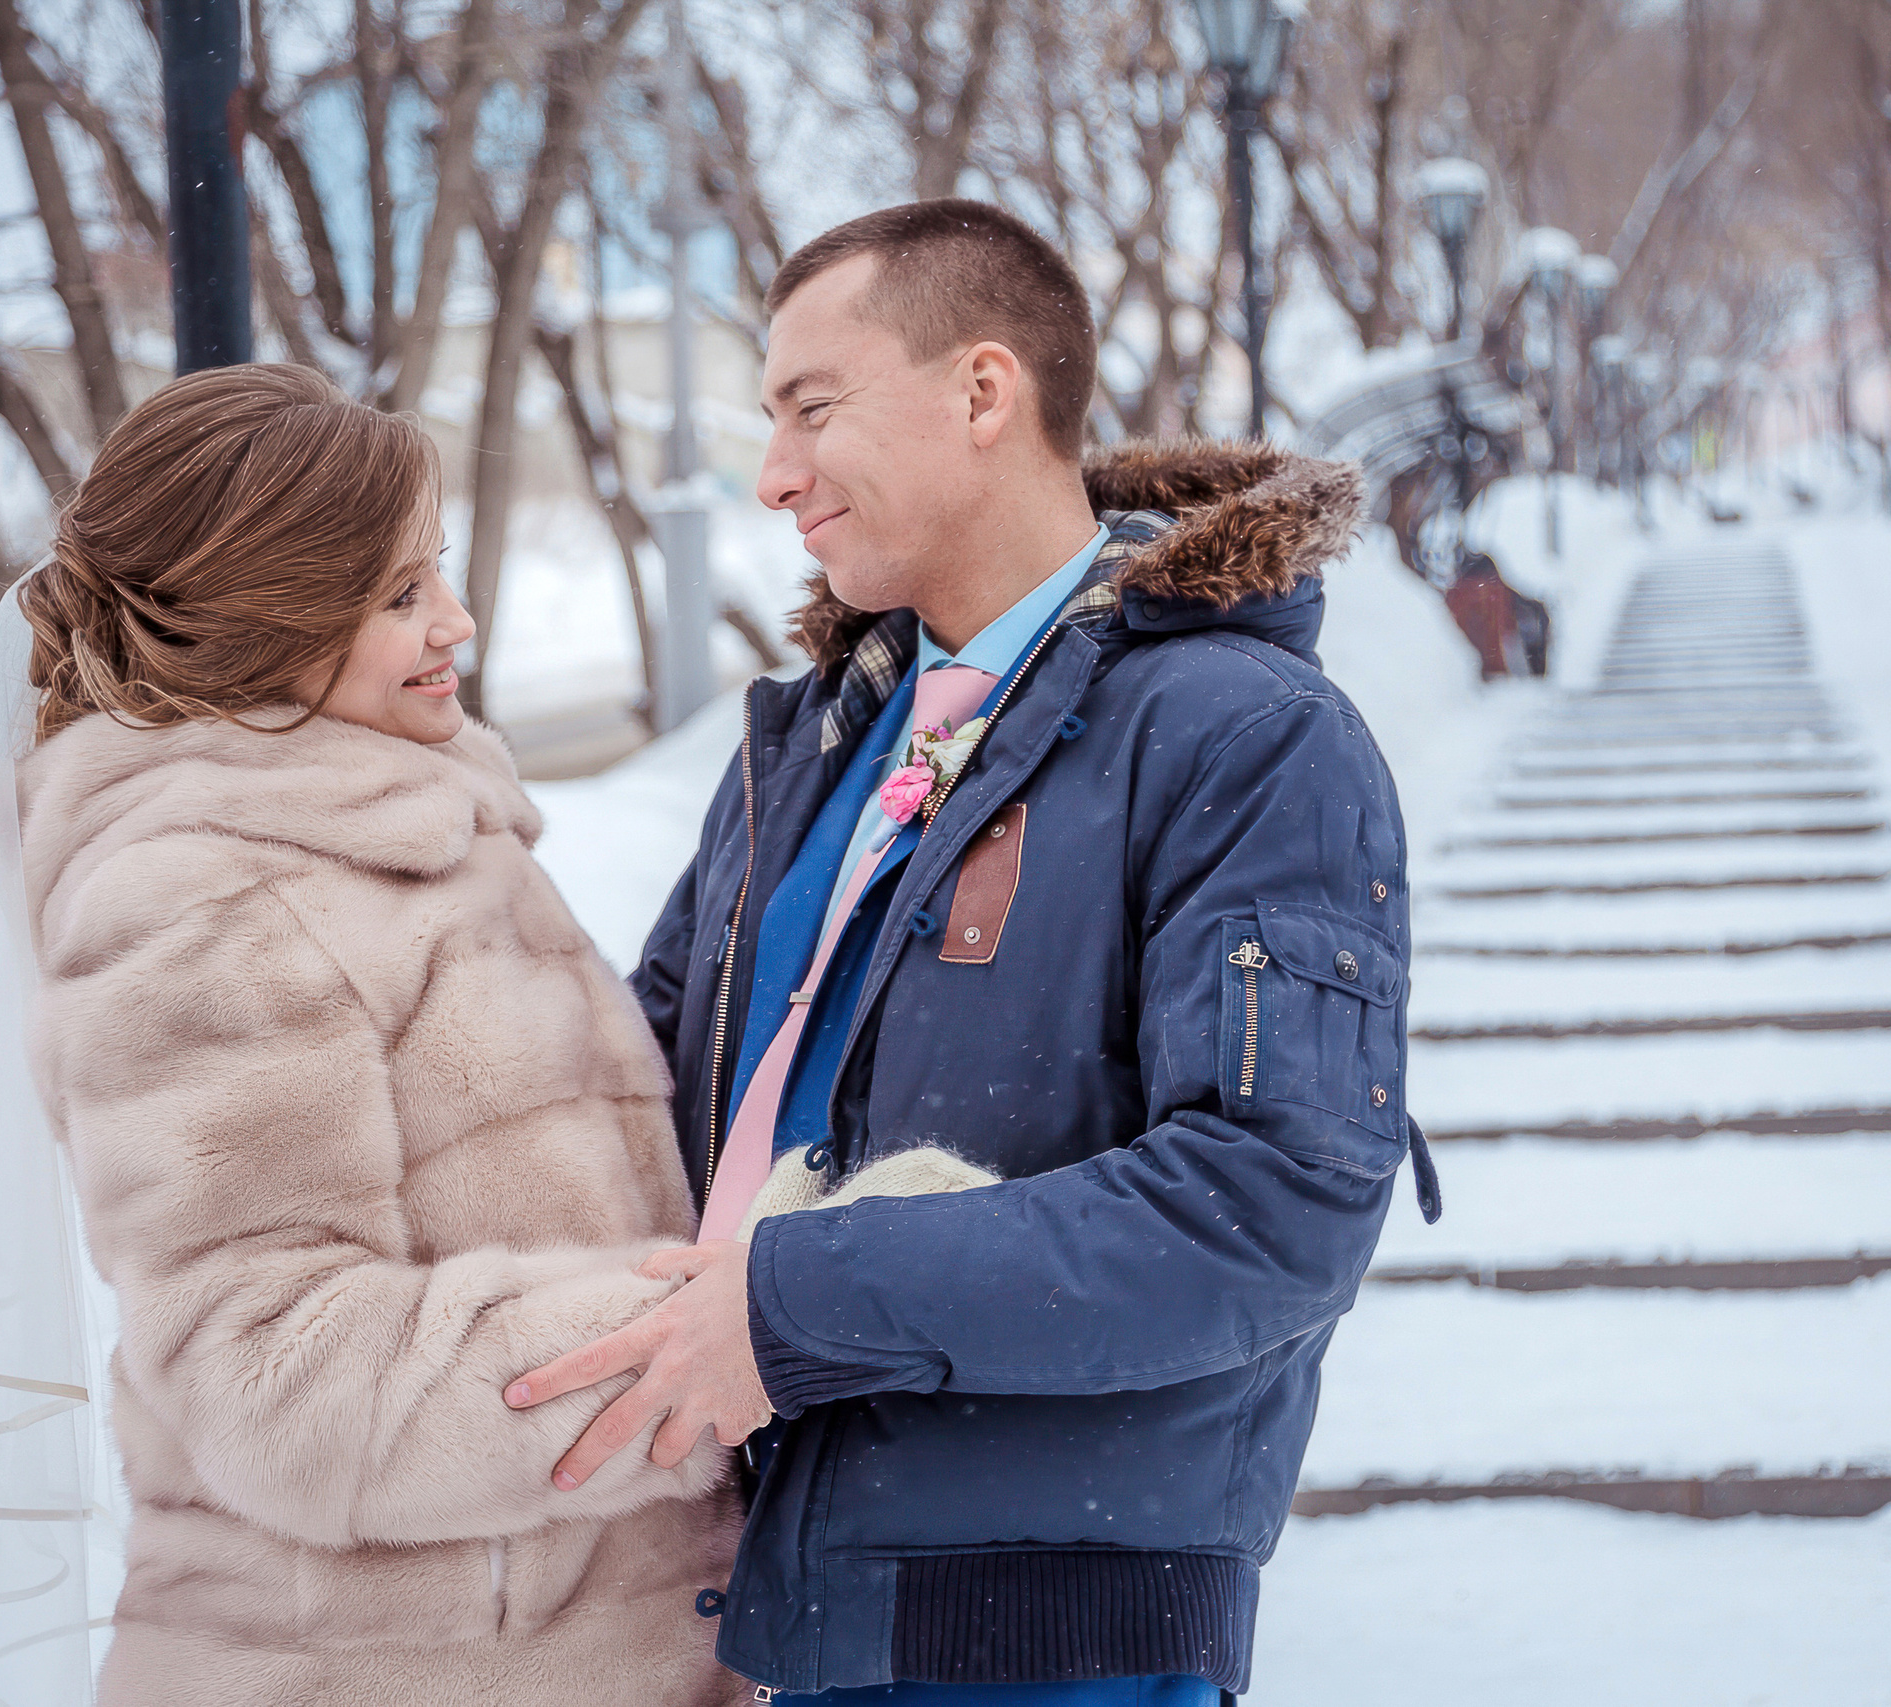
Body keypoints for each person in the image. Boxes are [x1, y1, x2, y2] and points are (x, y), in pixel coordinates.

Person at [504, 199, 1437, 1703]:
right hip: (767, 1612)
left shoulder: (1249, 737)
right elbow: (637, 1076)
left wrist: (793, 1311)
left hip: (1047, 1643)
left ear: (983, 391)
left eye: (814, 409)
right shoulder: (812, 742)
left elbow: (1269, 1208)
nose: (772, 477)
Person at [8, 365, 743, 1706]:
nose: (455, 622)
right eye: (400, 595)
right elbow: (274, 1373)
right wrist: (694, 1352)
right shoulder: (205, 894)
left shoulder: (388, 827)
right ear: (264, 616)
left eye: (438, 576)